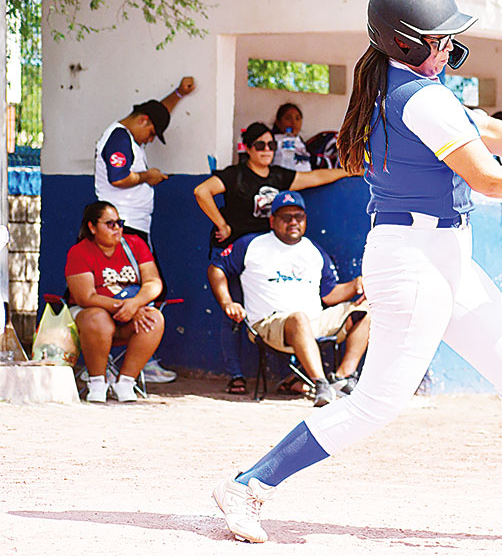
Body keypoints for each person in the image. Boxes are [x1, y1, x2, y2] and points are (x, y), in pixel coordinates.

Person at [212, 0, 502, 549]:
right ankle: (249, 486)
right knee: (375, 405)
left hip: (446, 254)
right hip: (413, 261)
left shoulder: (407, 84)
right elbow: (485, 176)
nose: (451, 48)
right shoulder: (419, 96)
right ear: (406, 43)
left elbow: (482, 127)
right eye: (440, 39)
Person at [193, 122, 353, 394]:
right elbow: (201, 191)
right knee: (233, 313)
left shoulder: (278, 176)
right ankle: (236, 375)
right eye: (260, 145)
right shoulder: (235, 176)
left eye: (271, 145)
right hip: (241, 252)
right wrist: (222, 224)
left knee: (289, 308)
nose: (266, 150)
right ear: (247, 149)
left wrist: (348, 171)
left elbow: (315, 178)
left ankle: (296, 376)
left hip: (277, 250)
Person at [208, 191, 370, 407]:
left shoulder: (314, 251)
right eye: (286, 217)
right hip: (269, 325)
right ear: (272, 221)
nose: (293, 222)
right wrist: (227, 302)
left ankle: (341, 378)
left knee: (369, 309)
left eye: (298, 216)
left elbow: (329, 295)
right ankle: (320, 384)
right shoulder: (251, 244)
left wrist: (356, 284)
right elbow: (216, 268)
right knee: (298, 318)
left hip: (315, 321)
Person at [93, 76, 194, 383]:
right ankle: (130, 361)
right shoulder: (120, 137)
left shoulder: (131, 132)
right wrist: (146, 176)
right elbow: (118, 177)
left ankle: (136, 357)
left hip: (134, 228)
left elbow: (156, 111)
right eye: (151, 132)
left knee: (142, 292)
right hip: (123, 230)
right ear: (141, 120)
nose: (151, 138)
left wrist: (178, 94)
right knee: (132, 290)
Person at [65, 201, 164, 403]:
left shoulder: (135, 244)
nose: (117, 228)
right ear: (92, 227)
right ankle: (97, 381)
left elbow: (153, 282)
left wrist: (135, 305)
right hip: (91, 314)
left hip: (129, 313)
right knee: (97, 318)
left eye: (120, 223)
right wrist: (125, 307)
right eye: (110, 224)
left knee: (155, 319)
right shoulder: (79, 252)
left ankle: (126, 382)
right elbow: (86, 297)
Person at [270, 103, 313, 172]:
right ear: (278, 122)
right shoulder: (274, 140)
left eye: (297, 118)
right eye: (288, 118)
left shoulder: (299, 140)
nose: (294, 122)